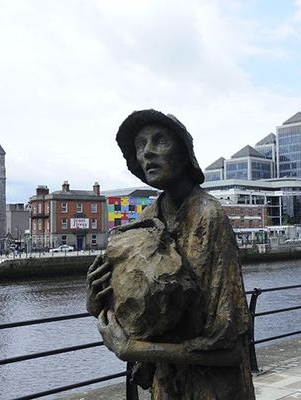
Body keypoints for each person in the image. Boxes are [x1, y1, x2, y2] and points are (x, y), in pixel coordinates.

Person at [86, 109, 255, 399]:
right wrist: (98, 301)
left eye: (159, 141)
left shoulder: (209, 216)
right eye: (140, 145)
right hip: (166, 386)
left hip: (213, 390)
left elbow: (229, 349)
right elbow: (135, 310)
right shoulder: (148, 217)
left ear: (184, 151)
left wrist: (133, 350)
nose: (147, 152)